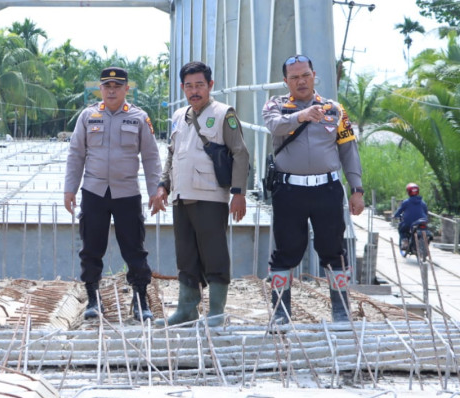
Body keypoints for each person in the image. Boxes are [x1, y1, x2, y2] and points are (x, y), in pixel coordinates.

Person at [262, 54, 364, 324]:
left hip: (327, 191)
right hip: (289, 191)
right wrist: (302, 116)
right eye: (294, 77)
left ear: (314, 75)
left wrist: (357, 189)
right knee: (285, 251)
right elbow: (274, 126)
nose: (301, 81)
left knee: (334, 249)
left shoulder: (334, 109)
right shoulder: (276, 105)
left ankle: (341, 310)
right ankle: (280, 312)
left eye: (306, 75)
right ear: (286, 81)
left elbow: (348, 150)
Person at [151, 61, 249, 327]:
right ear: (182, 87)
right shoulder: (178, 115)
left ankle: (216, 313)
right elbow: (172, 154)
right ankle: (186, 310)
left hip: (210, 196)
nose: (194, 91)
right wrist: (163, 185)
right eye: (189, 86)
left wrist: (238, 193)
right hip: (181, 196)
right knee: (186, 255)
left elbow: (240, 153)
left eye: (199, 85)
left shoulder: (224, 113)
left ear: (210, 85)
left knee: (214, 254)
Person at [64, 66, 163, 322]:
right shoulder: (88, 116)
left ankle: (140, 299)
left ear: (126, 89)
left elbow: (151, 157)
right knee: (91, 248)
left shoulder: (139, 118)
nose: (111, 91)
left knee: (134, 249)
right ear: (100, 88)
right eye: (107, 86)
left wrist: (155, 191)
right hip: (94, 192)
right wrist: (70, 189)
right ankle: (93, 298)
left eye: (117, 86)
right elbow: (76, 154)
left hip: (127, 193)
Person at [394, 183, 429, 253]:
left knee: (402, 230)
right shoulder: (423, 202)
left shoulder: (406, 202)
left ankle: (405, 241)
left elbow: (399, 210)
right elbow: (426, 212)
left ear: (408, 192)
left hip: (409, 223)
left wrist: (395, 216)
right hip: (422, 221)